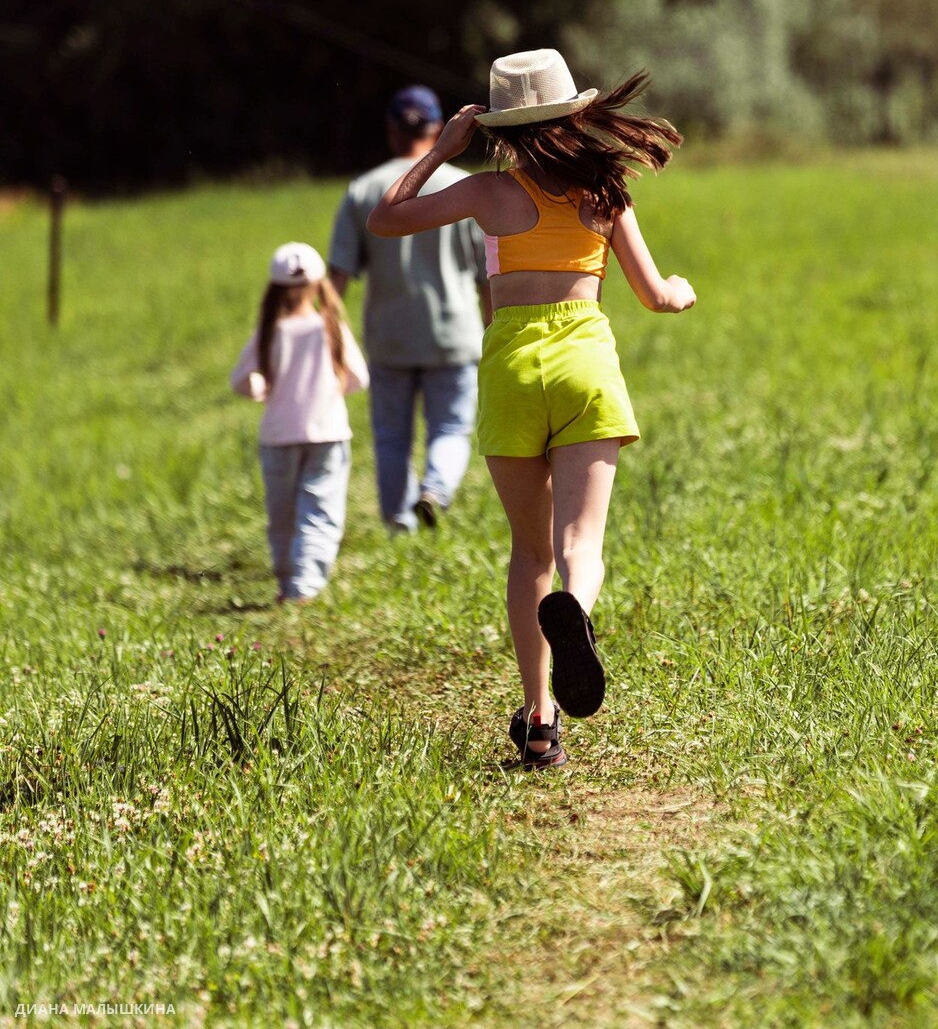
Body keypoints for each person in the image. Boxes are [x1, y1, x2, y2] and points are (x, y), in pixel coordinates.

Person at [366, 48, 697, 770]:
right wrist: (681, 289)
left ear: (501, 128)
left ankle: (541, 720)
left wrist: (440, 151)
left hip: (512, 368)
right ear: (573, 114)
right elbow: (654, 295)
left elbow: (386, 219)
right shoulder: (606, 191)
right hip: (585, 366)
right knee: (581, 546)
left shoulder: (490, 193)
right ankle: (577, 610)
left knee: (530, 552)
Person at [328, 86, 489, 533]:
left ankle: (399, 522)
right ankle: (435, 489)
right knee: (451, 428)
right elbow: (487, 276)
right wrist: (493, 330)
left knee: (391, 438)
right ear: (439, 128)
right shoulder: (465, 186)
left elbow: (337, 276)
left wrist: (325, 336)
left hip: (389, 336)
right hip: (455, 333)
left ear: (391, 131)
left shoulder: (364, 190)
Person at [230, 243, 370, 604]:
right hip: (327, 432)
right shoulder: (331, 326)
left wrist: (262, 390)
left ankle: (288, 580)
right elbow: (359, 378)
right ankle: (304, 586)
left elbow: (240, 380)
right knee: (320, 508)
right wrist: (333, 389)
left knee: (283, 514)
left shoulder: (269, 331)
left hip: (278, 435)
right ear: (320, 285)